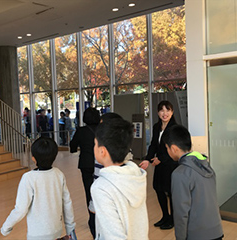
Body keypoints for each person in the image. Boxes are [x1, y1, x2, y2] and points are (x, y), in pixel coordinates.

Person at [0, 137, 76, 239]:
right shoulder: (59, 174)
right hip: (56, 231)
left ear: (33, 158)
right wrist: (70, 228)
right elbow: (67, 203)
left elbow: (21, 209)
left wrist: (6, 227)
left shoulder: (28, 178)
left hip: (37, 234)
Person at [91, 118, 149, 240]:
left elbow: (114, 236)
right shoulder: (135, 175)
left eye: (95, 144)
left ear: (102, 151)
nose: (94, 147)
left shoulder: (101, 187)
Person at [163, 125, 224, 240]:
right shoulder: (206, 165)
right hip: (217, 231)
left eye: (167, 148)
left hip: (197, 235)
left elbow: (181, 213)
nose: (167, 151)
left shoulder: (179, 174)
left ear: (174, 148)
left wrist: (180, 237)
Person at [139, 100, 178, 229]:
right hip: (159, 164)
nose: (164, 113)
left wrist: (160, 159)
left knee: (170, 192)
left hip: (171, 164)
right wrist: (148, 159)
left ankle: (172, 219)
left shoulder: (175, 128)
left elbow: (174, 148)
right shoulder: (156, 127)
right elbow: (154, 145)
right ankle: (165, 216)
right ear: (158, 112)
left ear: (172, 112)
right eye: (162, 110)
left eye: (167, 110)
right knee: (158, 188)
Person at [70, 107, 100, 238]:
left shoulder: (81, 131)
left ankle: (92, 219)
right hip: (102, 163)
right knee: (102, 190)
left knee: (89, 192)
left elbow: (72, 147)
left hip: (86, 165)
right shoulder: (102, 130)